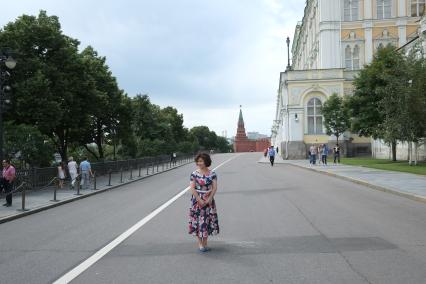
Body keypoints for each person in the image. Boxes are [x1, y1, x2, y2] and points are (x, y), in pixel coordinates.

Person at [188, 153, 219, 252]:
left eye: (201, 161)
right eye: (198, 161)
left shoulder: (212, 173)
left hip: (209, 199)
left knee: (207, 221)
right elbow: (192, 188)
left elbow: (214, 188)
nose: (199, 163)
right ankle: (200, 243)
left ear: (206, 161)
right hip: (197, 201)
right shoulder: (194, 174)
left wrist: (210, 198)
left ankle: (205, 242)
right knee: (198, 221)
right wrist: (199, 199)